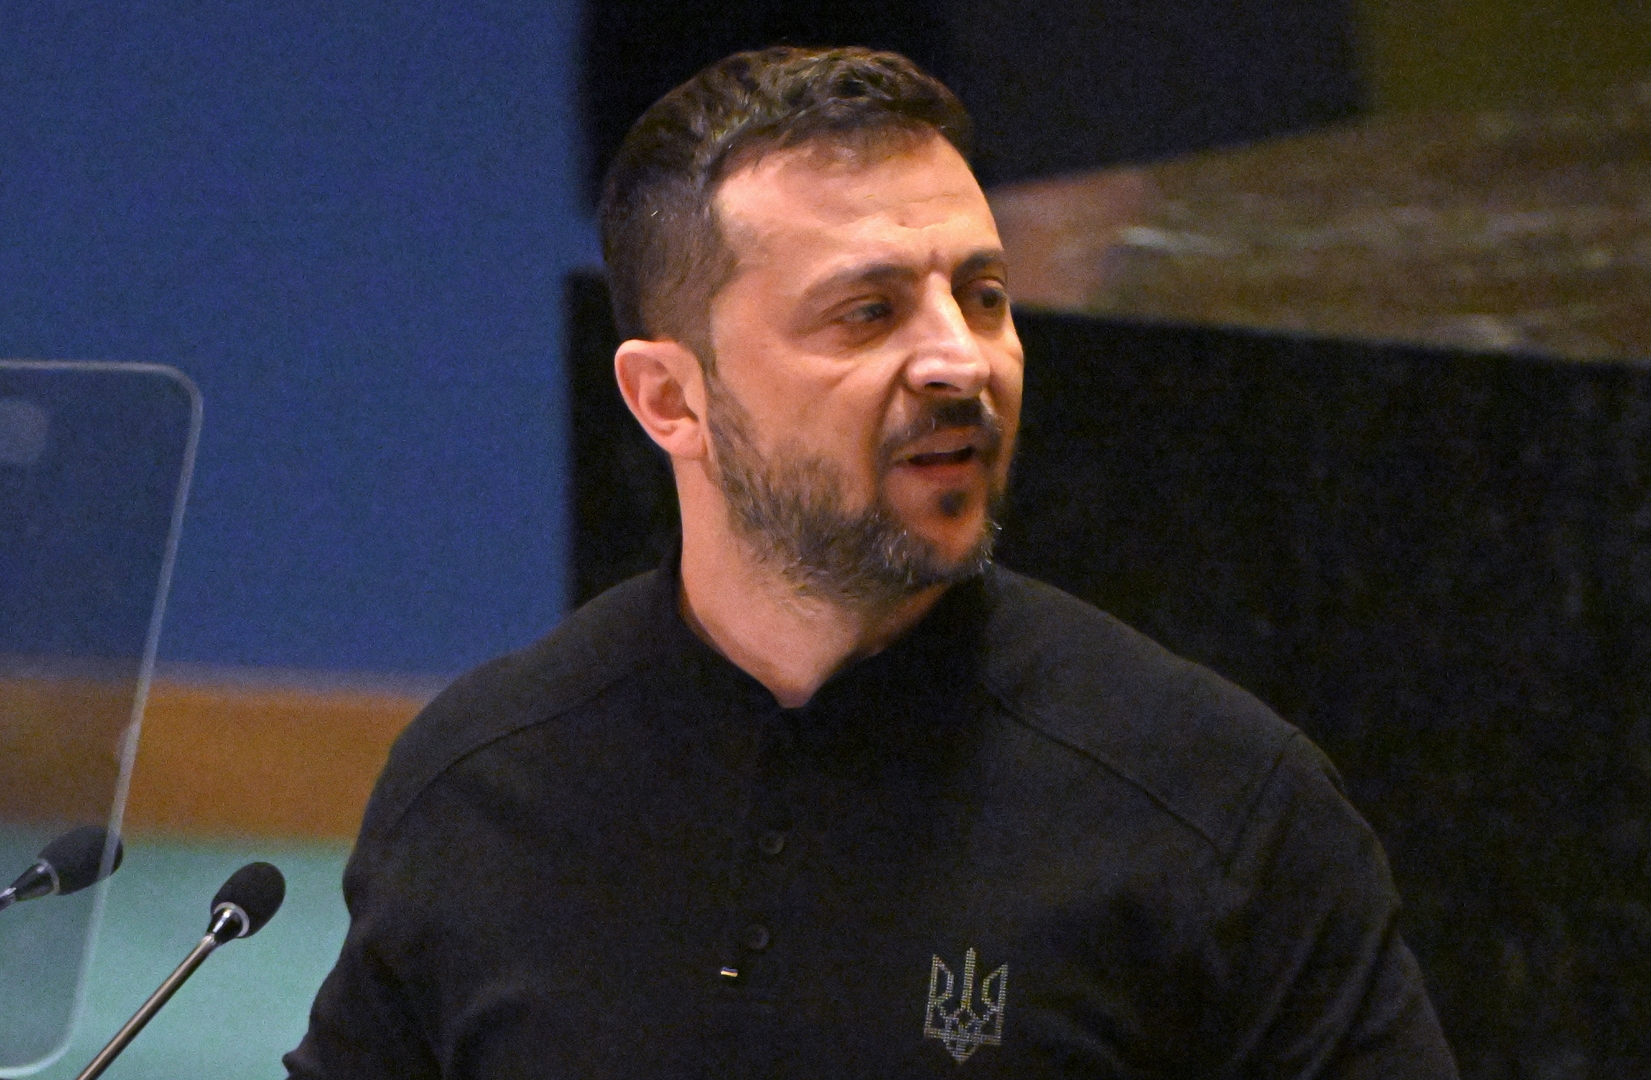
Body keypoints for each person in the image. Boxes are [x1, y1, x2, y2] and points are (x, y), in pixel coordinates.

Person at [285, 47, 1458, 1078]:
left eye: (982, 297)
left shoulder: (1218, 809)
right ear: (669, 400)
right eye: (867, 312)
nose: (960, 360)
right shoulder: (479, 786)